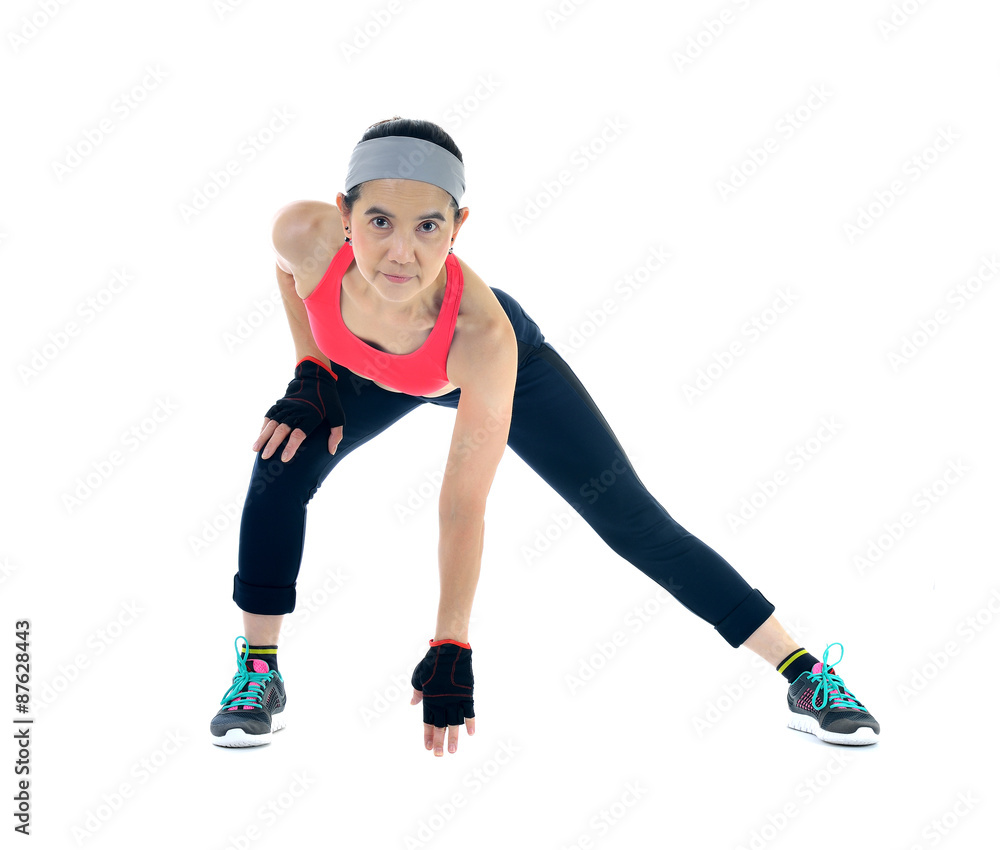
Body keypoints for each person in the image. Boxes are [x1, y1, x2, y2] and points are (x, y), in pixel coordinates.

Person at [209, 117, 880, 754]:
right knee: (279, 466)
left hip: (484, 370)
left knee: (632, 520)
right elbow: (287, 275)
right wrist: (311, 371)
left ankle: (803, 673)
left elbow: (461, 504)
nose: (401, 252)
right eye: (379, 221)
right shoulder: (303, 234)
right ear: (344, 215)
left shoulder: (483, 335)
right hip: (369, 371)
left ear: (458, 228)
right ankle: (260, 672)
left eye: (428, 226)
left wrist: (451, 645)